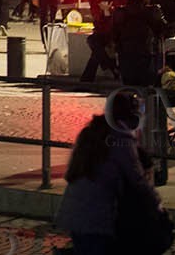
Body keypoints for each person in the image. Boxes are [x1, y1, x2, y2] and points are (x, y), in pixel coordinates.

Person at [56, 100, 169, 255]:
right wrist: (158, 206)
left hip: (75, 213)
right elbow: (138, 181)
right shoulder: (121, 141)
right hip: (97, 218)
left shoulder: (93, 132)